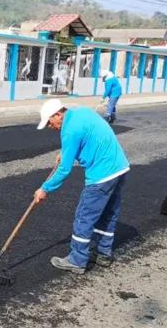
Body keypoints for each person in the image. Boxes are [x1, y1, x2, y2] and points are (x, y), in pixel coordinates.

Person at [33, 99, 130, 274]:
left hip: (102, 174)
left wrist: (45, 188)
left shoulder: (69, 131)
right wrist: (65, 152)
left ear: (58, 114)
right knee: (108, 213)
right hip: (120, 168)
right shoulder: (83, 112)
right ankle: (104, 254)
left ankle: (77, 260)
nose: (49, 126)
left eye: (49, 121)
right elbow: (86, 136)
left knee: (84, 216)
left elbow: (64, 169)